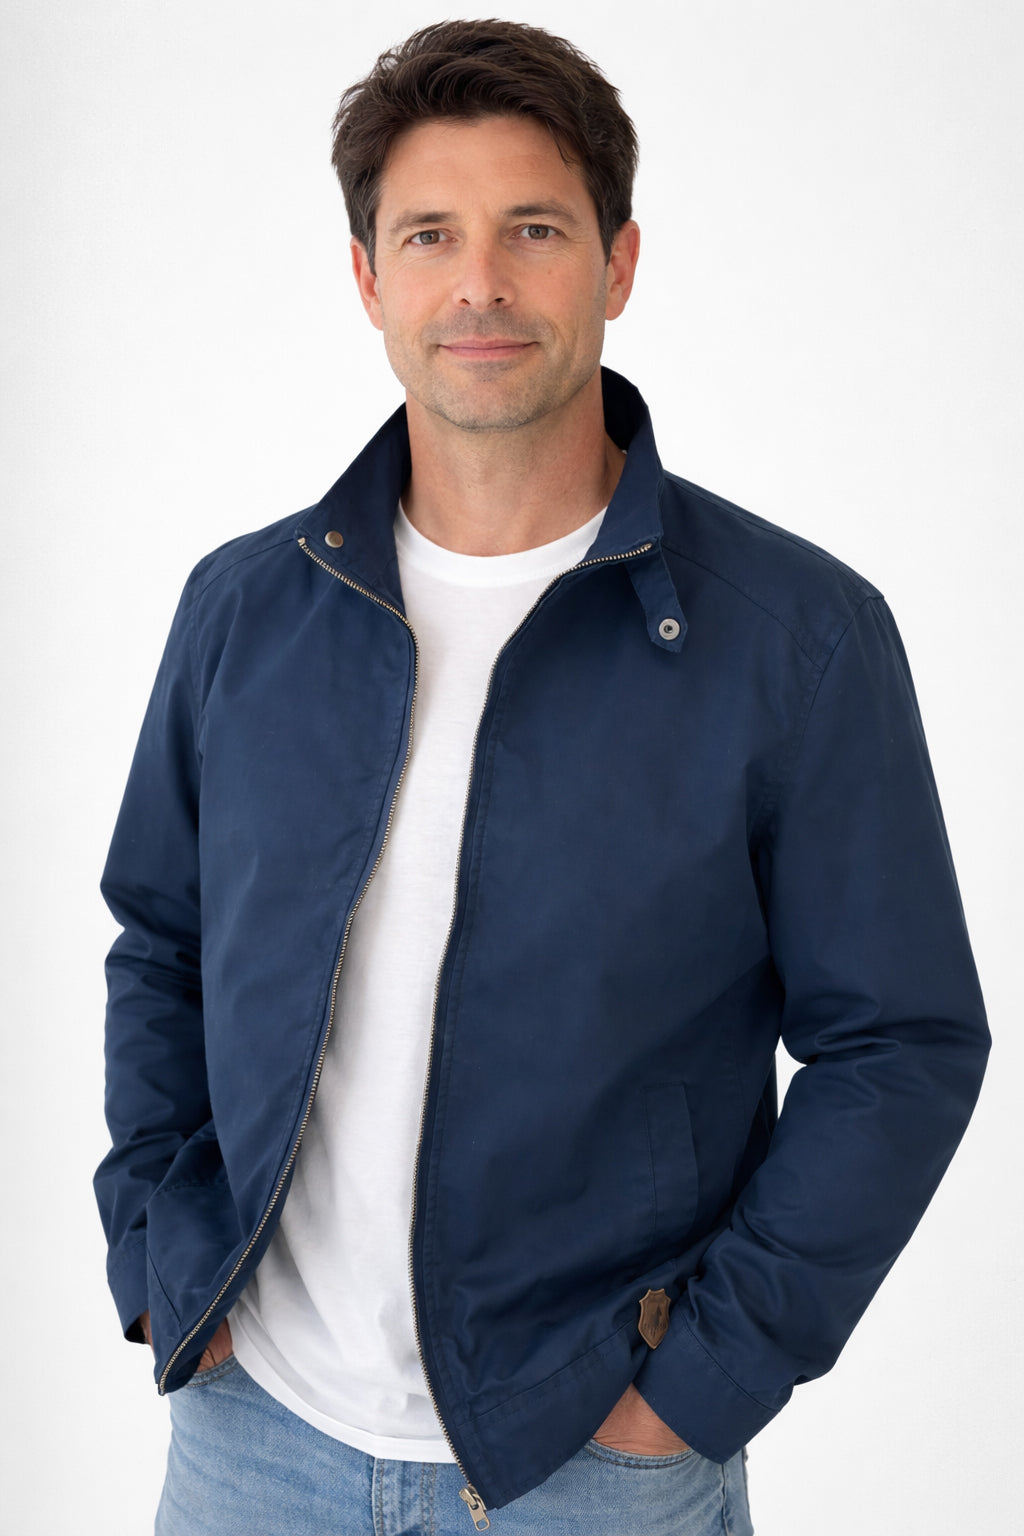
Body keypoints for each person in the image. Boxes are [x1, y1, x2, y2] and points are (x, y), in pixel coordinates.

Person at [95, 19, 989, 1536]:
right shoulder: (247, 609)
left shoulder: (796, 638)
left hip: (592, 1460)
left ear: (618, 264)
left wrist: (697, 1390)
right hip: (251, 1445)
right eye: (429, 236)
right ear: (368, 279)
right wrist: (162, 1260)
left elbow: (900, 1043)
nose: (481, 286)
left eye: (534, 230)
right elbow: (162, 944)